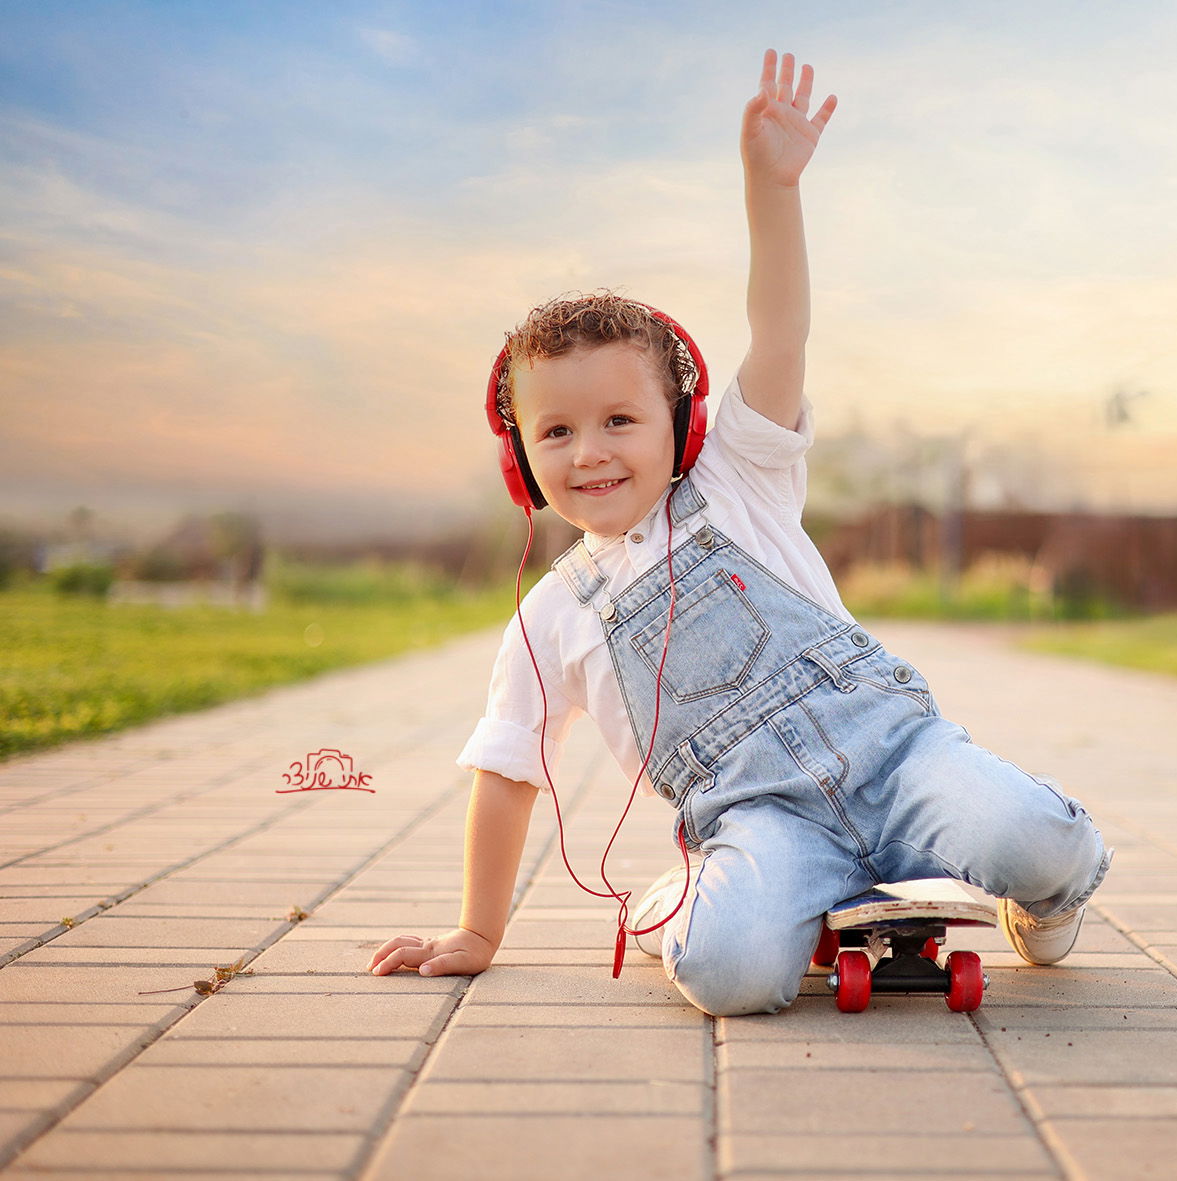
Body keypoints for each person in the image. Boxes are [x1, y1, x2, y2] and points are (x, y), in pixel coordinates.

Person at [368, 49, 1112, 1017]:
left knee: (1034, 843)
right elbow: (508, 772)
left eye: (619, 420)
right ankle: (683, 900)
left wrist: (771, 185)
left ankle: (1048, 899)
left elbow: (779, 333)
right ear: (520, 456)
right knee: (728, 976)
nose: (588, 452)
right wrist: (477, 929)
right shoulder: (547, 619)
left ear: (680, 425)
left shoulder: (738, 480)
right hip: (762, 822)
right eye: (555, 430)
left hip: (897, 760)